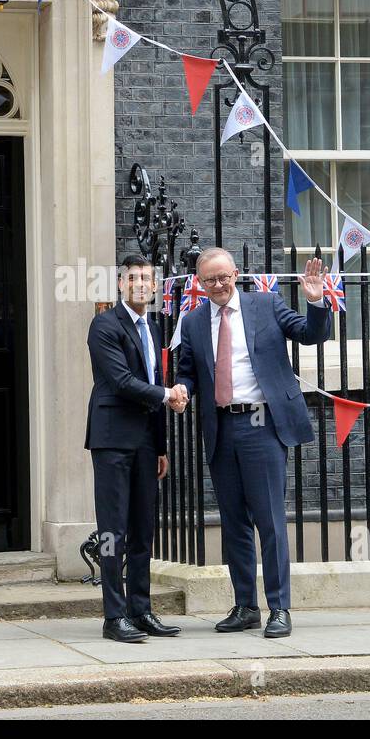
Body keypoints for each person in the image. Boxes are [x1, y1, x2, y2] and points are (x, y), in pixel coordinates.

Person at [173, 248, 331, 637]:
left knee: (270, 520)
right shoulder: (193, 322)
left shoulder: (266, 304)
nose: (218, 285)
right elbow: (188, 371)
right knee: (234, 523)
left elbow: (311, 335)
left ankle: (279, 607)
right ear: (200, 283)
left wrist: (315, 300)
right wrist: (182, 388)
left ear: (237, 274)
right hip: (220, 429)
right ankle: (245, 605)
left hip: (262, 425)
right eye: (209, 280)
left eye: (223, 277)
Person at [84, 254, 188, 642]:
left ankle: (141, 611)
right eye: (134, 277)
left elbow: (153, 379)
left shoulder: (154, 328)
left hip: (146, 442)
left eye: (147, 277)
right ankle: (114, 616)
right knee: (113, 530)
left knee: (144, 528)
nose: (141, 283)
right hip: (112, 438)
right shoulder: (104, 325)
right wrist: (168, 394)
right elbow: (122, 381)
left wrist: (160, 446)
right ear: (120, 283)